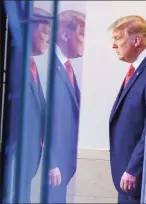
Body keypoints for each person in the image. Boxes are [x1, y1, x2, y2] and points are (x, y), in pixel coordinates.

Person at [3, 7, 50, 203]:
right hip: (14, 162)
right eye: (46, 32)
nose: (50, 39)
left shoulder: (29, 64)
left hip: (26, 164)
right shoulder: (15, 64)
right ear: (30, 30)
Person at [108, 15, 146, 204]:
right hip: (128, 177)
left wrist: (134, 168)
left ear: (136, 40)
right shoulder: (139, 68)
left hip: (137, 177)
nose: (113, 45)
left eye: (118, 38)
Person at [42, 10, 85, 203]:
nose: (86, 42)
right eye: (83, 35)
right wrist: (50, 162)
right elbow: (39, 119)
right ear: (66, 35)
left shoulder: (66, 67)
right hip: (52, 168)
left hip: (63, 167)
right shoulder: (47, 66)